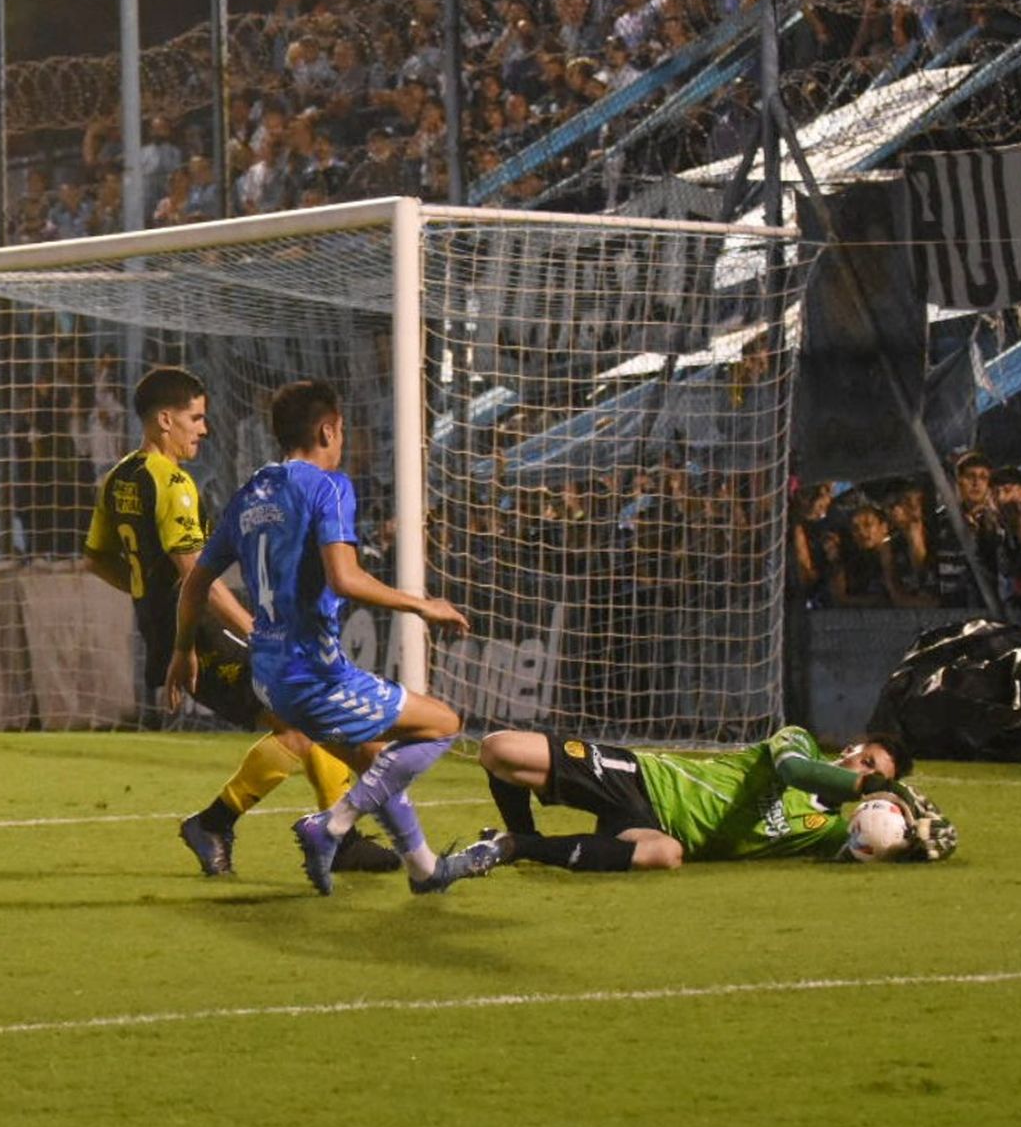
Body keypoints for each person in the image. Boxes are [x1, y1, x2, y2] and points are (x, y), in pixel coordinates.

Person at [165, 378, 501, 896]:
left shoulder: (251, 492)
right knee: (443, 724)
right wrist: (422, 605)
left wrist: (183, 649)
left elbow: (196, 583)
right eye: (342, 430)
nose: (343, 441)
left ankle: (425, 870)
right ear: (328, 429)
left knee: (373, 762)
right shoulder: (328, 486)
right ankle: (332, 826)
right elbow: (346, 578)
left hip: (269, 677)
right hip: (315, 675)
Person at [82, 367, 395, 878]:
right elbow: (194, 577)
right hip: (202, 628)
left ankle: (341, 836)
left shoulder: (120, 477)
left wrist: (148, 597)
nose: (203, 430)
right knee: (298, 720)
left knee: (306, 721)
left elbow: (95, 560)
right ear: (165, 420)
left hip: (162, 625)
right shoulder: (174, 483)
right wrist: (252, 627)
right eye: (195, 418)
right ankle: (214, 822)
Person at [477, 724, 957, 869]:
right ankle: (523, 830)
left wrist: (911, 841)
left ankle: (517, 847)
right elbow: (794, 771)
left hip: (653, 825)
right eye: (867, 760)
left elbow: (867, 850)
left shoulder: (827, 830)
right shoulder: (799, 744)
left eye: (874, 771)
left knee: (665, 856)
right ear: (852, 751)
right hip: (645, 780)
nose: (863, 769)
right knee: (498, 749)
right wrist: (871, 785)